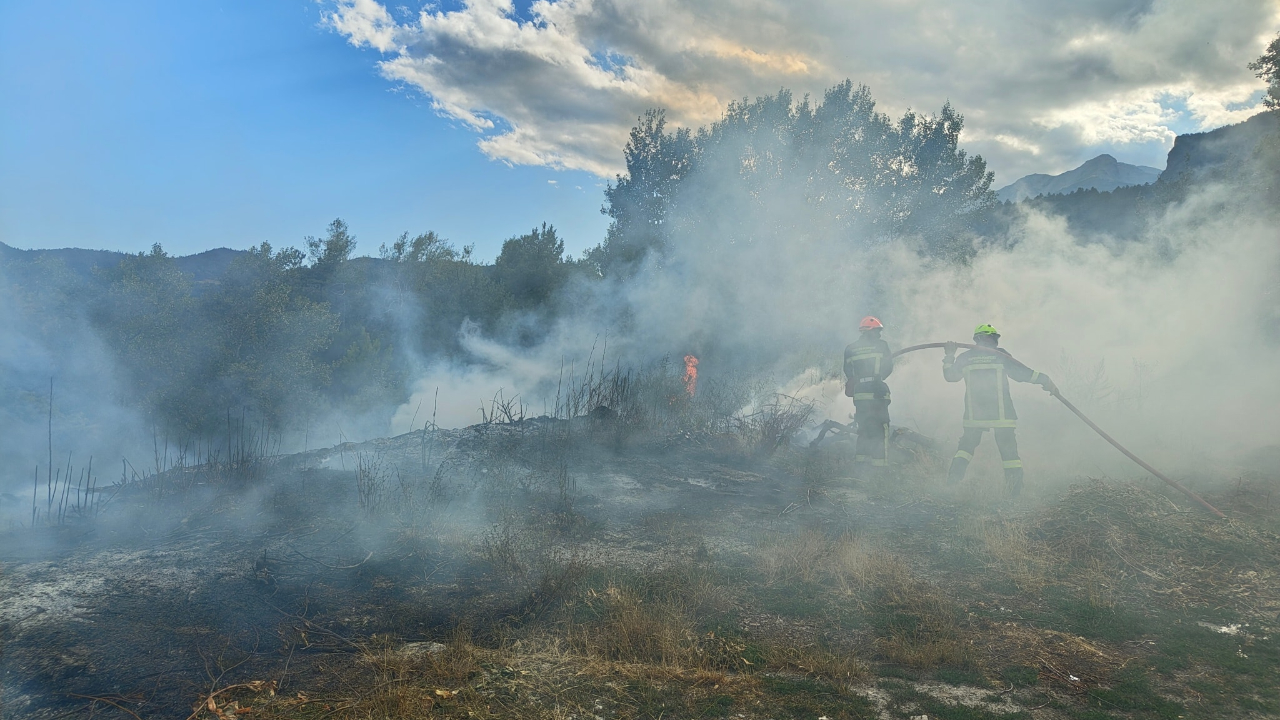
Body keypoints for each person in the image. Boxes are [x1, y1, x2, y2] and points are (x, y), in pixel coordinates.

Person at [943, 324, 1056, 497]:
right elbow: (1022, 374)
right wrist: (1045, 380)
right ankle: (1014, 492)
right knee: (1009, 454)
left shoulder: (965, 358)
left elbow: (950, 376)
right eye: (990, 337)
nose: (991, 341)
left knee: (966, 449)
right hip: (1002, 415)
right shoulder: (1000, 355)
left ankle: (952, 483)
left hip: (974, 415)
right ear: (985, 339)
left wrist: (950, 355)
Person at [844, 316, 894, 476]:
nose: (879, 334)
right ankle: (880, 470)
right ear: (870, 331)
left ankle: (861, 468)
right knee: (880, 430)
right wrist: (877, 378)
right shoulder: (882, 345)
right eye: (877, 331)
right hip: (877, 393)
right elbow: (888, 368)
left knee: (864, 429)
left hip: (860, 395)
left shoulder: (850, 348)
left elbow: (848, 372)